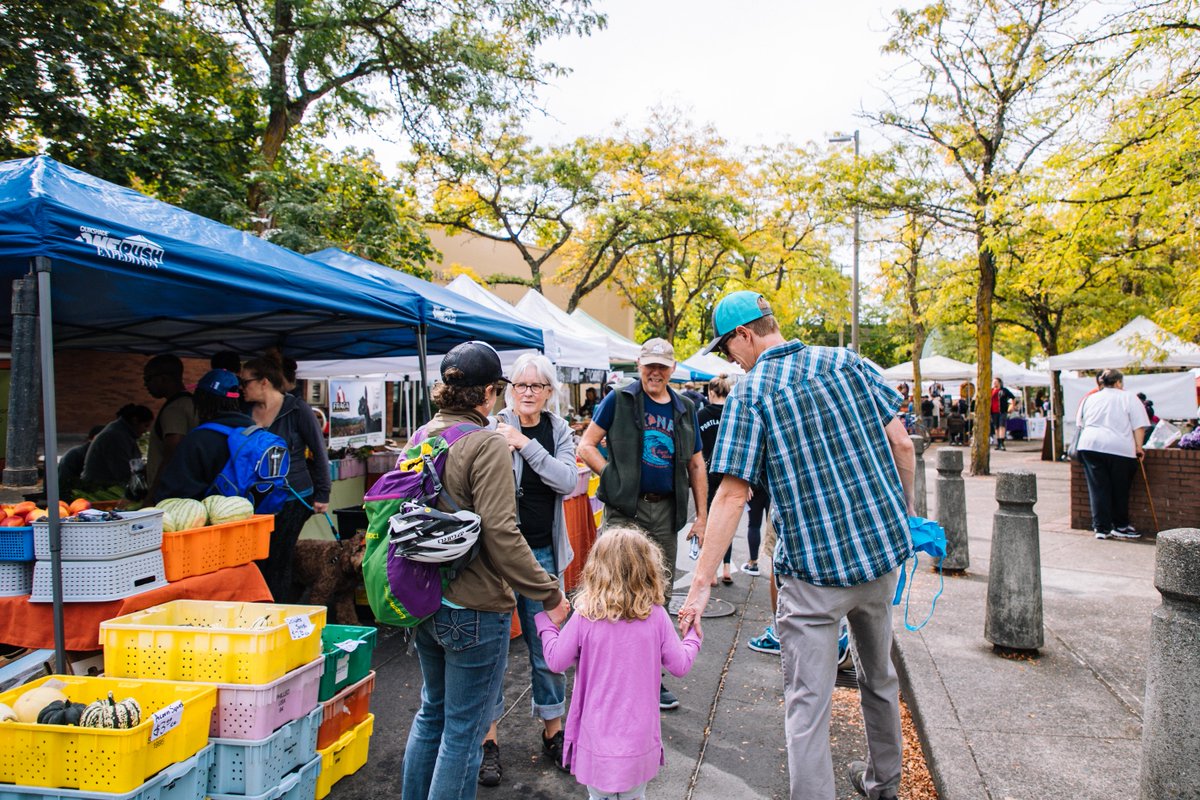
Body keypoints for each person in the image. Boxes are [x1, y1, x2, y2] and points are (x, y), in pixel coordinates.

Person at [679, 290, 915, 800]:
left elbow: (733, 495)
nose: (728, 358)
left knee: (808, 702)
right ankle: (885, 785)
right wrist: (905, 513)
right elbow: (902, 444)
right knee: (879, 677)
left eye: (726, 347)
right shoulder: (848, 362)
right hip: (878, 558)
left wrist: (700, 585)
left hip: (813, 573)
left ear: (745, 335)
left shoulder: (751, 392)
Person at [401, 341, 570, 800]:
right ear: (491, 392)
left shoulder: (421, 436)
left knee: (431, 714)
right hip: (474, 607)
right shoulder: (486, 444)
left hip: (425, 599)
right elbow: (502, 533)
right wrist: (551, 593)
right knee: (462, 731)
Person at [578, 337, 707, 712]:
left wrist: (702, 516)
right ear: (639, 364)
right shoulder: (619, 400)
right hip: (625, 513)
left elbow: (696, 464)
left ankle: (652, 677)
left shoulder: (684, 409)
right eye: (649, 365)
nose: (655, 372)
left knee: (658, 596)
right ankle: (606, 670)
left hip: (666, 512)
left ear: (672, 369)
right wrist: (613, 477)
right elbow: (586, 446)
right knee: (613, 588)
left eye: (662, 367)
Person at [536, 527, 702, 800]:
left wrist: (548, 624)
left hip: (596, 739)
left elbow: (555, 660)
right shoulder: (656, 616)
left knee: (597, 796)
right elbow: (679, 665)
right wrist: (692, 635)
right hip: (638, 742)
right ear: (648, 569)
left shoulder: (585, 616)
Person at [478, 353, 579, 786]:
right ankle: (488, 743)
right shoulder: (490, 427)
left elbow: (569, 481)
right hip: (496, 558)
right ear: (508, 389)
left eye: (537, 386)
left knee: (548, 649)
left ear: (549, 392)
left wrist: (525, 446)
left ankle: (553, 731)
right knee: (493, 650)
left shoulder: (557, 431)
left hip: (542, 554)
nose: (527, 393)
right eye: (520, 385)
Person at [238, 356, 331, 603]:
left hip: (293, 496)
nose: (241, 387)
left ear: (264, 382)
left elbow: (319, 452)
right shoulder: (244, 411)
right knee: (257, 558)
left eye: (245, 381)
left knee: (279, 557)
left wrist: (323, 494)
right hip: (254, 499)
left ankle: (276, 608)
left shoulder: (297, 409)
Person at [153, 370, 253, 501]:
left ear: (202, 399)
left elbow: (175, 492)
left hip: (211, 519)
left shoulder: (197, 440)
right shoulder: (253, 432)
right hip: (253, 516)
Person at [1077, 369, 1150, 540]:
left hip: (1090, 445)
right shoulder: (1128, 397)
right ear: (1118, 382)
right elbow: (1139, 426)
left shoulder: (1090, 398)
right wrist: (1139, 447)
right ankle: (1120, 525)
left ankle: (1101, 528)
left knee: (1098, 488)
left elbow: (1081, 423)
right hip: (1120, 448)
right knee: (1120, 488)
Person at [143, 354, 199, 498]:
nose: (145, 385)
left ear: (164, 378)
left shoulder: (174, 409)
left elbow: (172, 452)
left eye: (148, 379)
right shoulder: (192, 403)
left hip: (171, 493)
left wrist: (151, 495)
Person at [696, 374, 734, 586]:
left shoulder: (701, 414)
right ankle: (726, 567)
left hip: (706, 473)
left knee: (709, 521)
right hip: (729, 474)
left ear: (711, 392)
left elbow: (696, 448)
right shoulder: (732, 413)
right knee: (727, 520)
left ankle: (710, 572)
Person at [81, 405, 153, 486]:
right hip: (100, 486)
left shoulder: (123, 433)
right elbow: (123, 472)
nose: (145, 431)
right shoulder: (116, 436)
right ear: (135, 421)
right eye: (145, 426)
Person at [990, 378, 1015, 450]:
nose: (994, 383)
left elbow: (1012, 397)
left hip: (1002, 411)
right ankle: (998, 442)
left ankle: (1002, 443)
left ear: (999, 383)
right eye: (993, 382)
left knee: (1002, 426)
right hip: (993, 411)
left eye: (996, 382)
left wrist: (1012, 406)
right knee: (996, 427)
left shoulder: (1004, 390)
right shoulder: (991, 391)